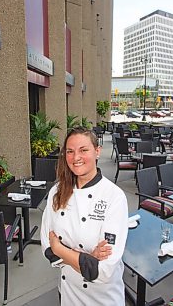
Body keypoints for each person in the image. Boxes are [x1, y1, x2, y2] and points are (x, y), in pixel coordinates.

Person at [40, 127, 128, 305]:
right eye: (70, 151)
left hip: (102, 297)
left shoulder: (114, 197)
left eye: (83, 150)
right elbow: (47, 250)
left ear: (97, 152)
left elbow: (103, 271)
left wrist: (61, 250)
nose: (76, 157)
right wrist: (87, 257)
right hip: (67, 293)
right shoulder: (56, 192)